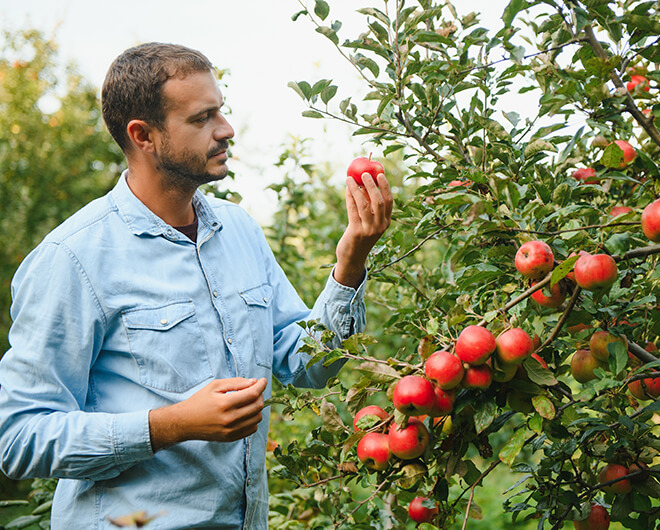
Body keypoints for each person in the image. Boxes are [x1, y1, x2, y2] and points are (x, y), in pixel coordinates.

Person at [0, 42, 392, 529]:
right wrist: (173, 425)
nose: (225, 130)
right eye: (203, 118)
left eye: (221, 112)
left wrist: (351, 258)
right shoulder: (75, 258)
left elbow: (306, 364)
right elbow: (18, 439)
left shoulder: (240, 231)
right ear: (143, 136)